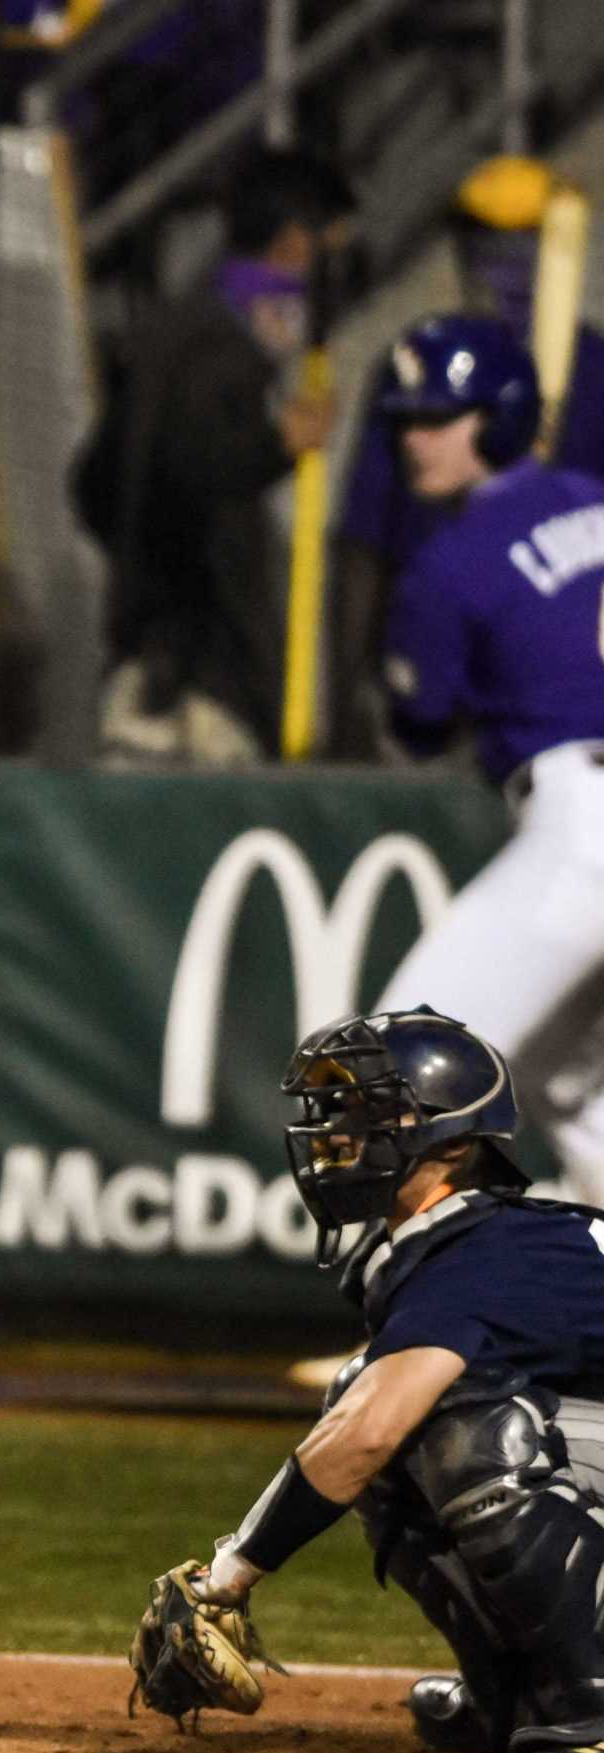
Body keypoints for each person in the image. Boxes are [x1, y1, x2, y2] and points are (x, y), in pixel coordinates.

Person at [141, 1008, 604, 1753]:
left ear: (453, 1142)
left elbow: (371, 1432)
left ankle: (595, 1697)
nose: (338, 1134)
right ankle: (526, 1694)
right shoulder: (467, 1244)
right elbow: (363, 1421)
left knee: (469, 1430)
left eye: (370, 1112)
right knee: (381, 1406)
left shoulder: (487, 1252)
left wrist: (228, 1577)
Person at [353, 315, 604, 1201]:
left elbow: (420, 722)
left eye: (438, 417)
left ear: (495, 418)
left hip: (584, 826)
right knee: (574, 1099)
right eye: (406, 421)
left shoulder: (450, 559)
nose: (414, 438)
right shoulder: (592, 497)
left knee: (398, 1072)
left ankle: (414, 1333)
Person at [78, 146, 353, 762]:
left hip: (143, 660)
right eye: (331, 248)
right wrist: (277, 444)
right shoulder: (225, 351)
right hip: (202, 683)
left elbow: (92, 482)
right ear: (293, 246)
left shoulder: (166, 335)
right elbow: (193, 467)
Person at [332, 157, 604, 749]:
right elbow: (365, 538)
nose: (501, 262)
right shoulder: (415, 367)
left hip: (559, 696)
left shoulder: (597, 370)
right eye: (485, 241)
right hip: (439, 680)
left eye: (521, 242)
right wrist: (340, 698)